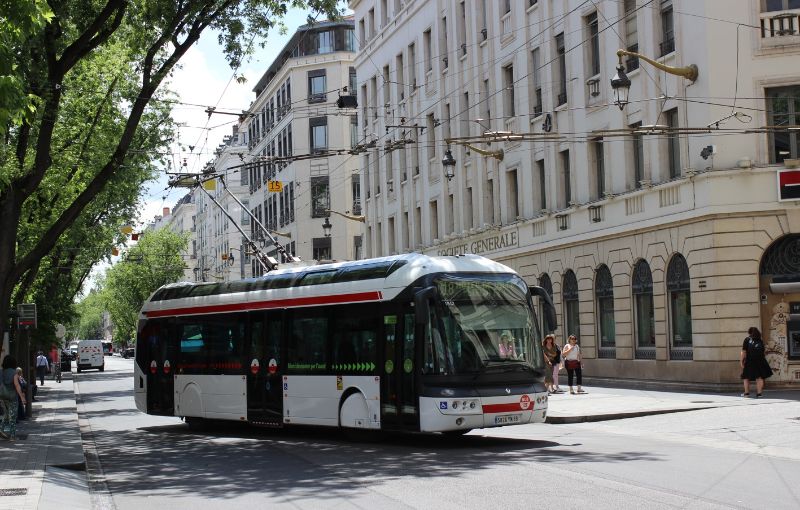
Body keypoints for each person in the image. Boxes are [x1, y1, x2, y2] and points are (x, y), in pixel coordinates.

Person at [740, 327, 772, 398]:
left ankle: (746, 393)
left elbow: (744, 352)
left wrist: (741, 361)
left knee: (746, 377)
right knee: (759, 377)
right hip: (760, 361)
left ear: (749, 332)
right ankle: (759, 394)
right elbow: (763, 351)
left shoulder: (747, 339)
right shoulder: (760, 340)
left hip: (750, 361)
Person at [1, 355, 27, 440]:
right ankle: (12, 436)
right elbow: (17, 385)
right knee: (12, 417)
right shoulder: (14, 373)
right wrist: (22, 397)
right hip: (12, 397)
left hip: (2, 396)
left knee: (5, 414)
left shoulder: (1, 372)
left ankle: (1, 429)